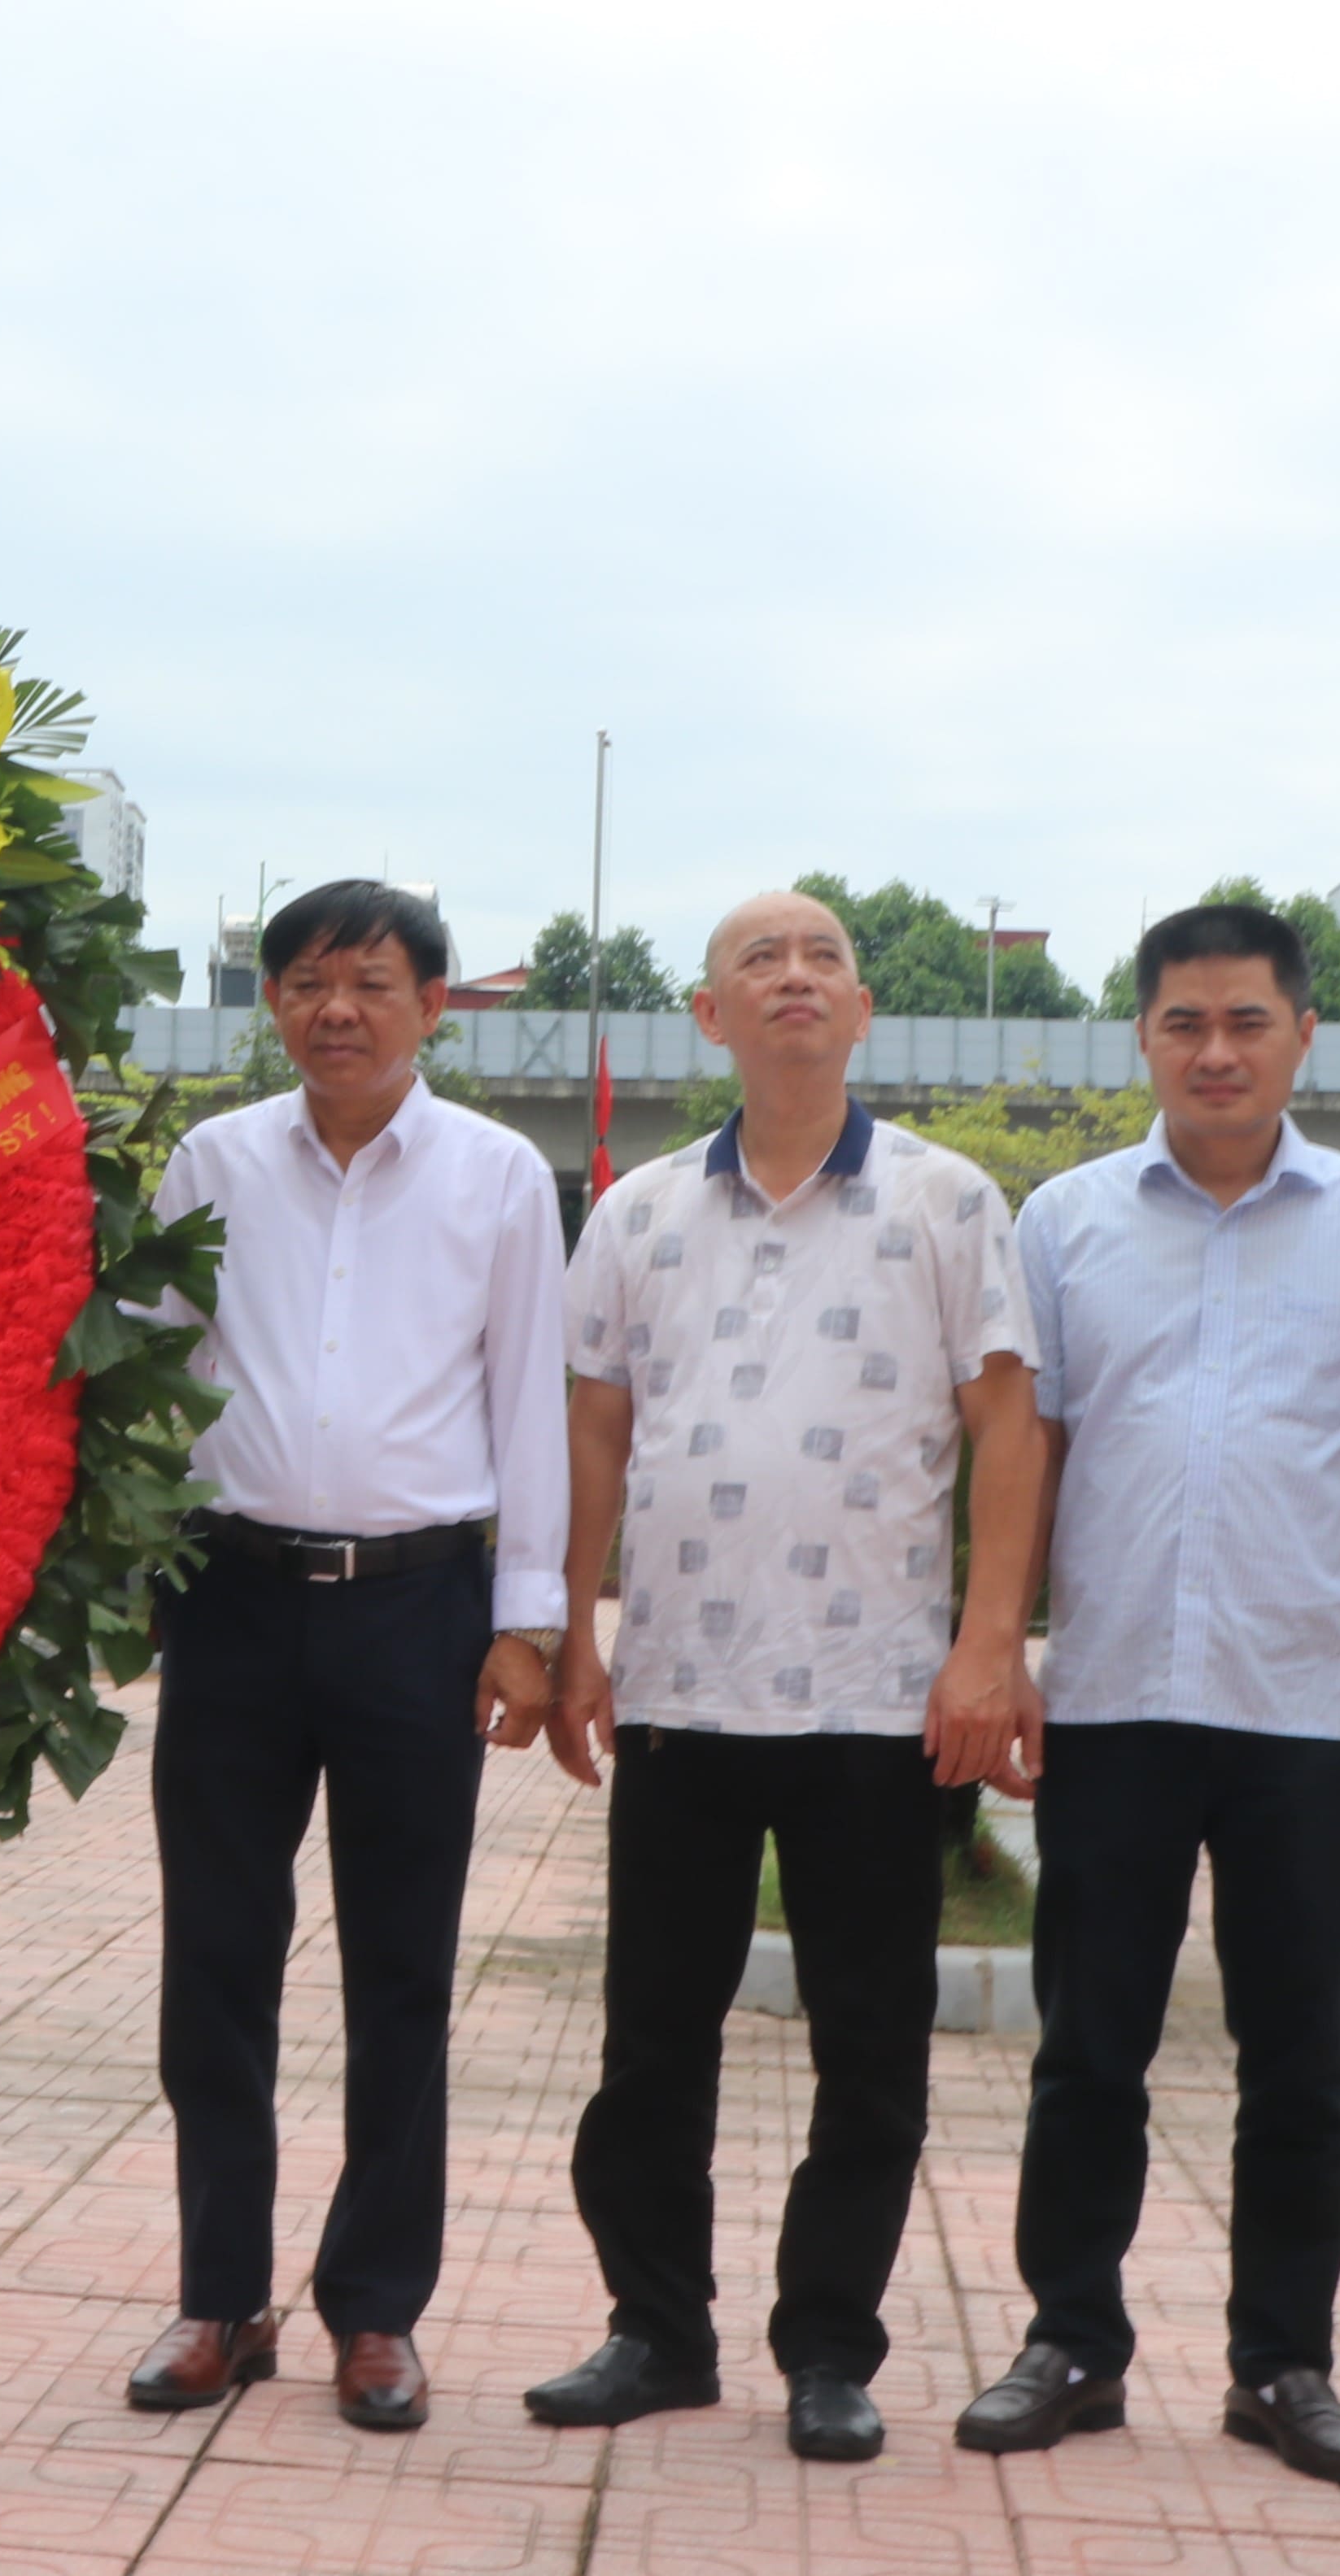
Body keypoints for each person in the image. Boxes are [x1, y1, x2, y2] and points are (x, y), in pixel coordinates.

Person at [957, 902, 1340, 2482]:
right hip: (1115, 1697)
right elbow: (1023, 1448)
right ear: (1140, 1038)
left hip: (1301, 1705)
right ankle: (1069, 2342)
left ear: (1298, 1036)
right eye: (1182, 1022)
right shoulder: (1060, 1222)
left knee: (1298, 2066)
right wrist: (999, 1649)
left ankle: (1280, 2365)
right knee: (1086, 2051)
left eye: (1243, 1021)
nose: (1212, 1050)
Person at [526, 887, 1041, 2463]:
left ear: (861, 1008)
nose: (794, 978)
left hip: (878, 1703)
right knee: (648, 2042)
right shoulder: (633, 1217)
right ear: (709, 1015)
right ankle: (654, 2330)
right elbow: (592, 1430)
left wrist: (984, 1646)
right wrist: (569, 1634)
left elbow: (1005, 1429)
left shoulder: (947, 1203)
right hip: (680, 1692)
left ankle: (828, 2347)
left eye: (821, 957)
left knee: (866, 2050)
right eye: (760, 957)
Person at [121, 879, 566, 2436]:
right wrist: (139, 1568)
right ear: (275, 1004)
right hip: (234, 1603)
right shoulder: (215, 1161)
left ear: (431, 1005)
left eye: (371, 982)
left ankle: (376, 2312)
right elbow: (151, 1361)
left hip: (415, 1613)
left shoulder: (501, 1180)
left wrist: (531, 1624)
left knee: (401, 1971)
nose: (337, 1009)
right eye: (307, 980)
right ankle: (221, 2300)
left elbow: (530, 1408)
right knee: (217, 1964)